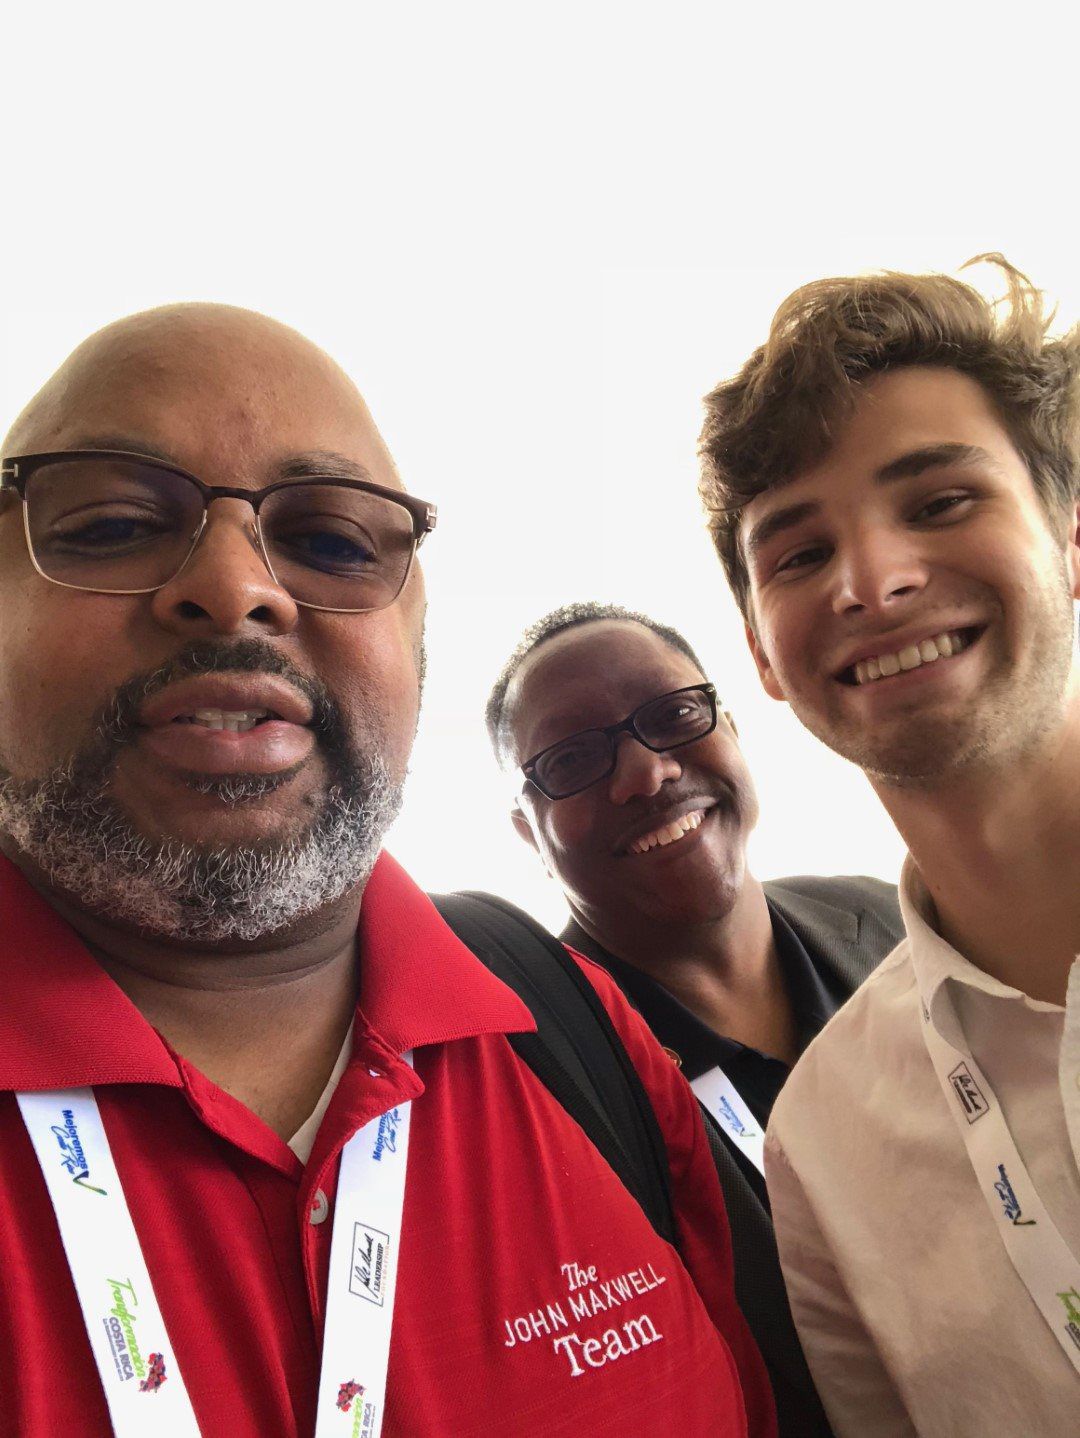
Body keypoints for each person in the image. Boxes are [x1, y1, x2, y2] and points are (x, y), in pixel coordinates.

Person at [0, 304, 775, 1437]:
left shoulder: (577, 1031)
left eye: (332, 542)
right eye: (115, 523)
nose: (234, 585)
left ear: (415, 644)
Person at [698, 255, 1080, 1436]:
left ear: (1070, 538)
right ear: (763, 652)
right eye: (800, 554)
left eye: (940, 501)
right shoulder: (824, 1149)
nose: (874, 579)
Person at [486, 601, 903, 1436]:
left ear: (735, 730)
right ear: (528, 832)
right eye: (572, 757)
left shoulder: (890, 922)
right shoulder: (533, 1080)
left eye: (673, 715)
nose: (645, 775)